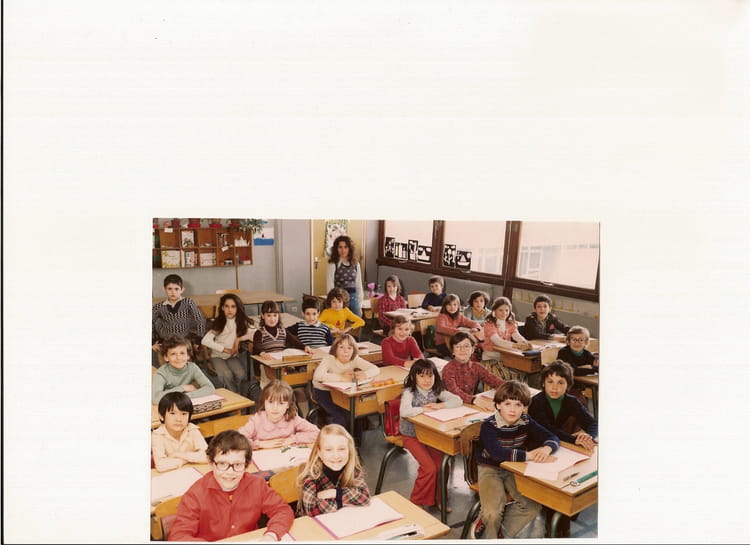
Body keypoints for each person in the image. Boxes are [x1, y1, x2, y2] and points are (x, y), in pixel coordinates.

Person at [168, 430, 294, 542]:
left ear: (246, 465)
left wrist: (271, 535)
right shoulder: (195, 495)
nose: (230, 472)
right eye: (222, 464)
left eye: (237, 465)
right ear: (210, 463)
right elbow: (178, 536)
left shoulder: (257, 485)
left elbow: (282, 511)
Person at [477, 381, 559, 539]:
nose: (513, 410)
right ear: (498, 405)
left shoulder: (526, 420)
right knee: (492, 513)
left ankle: (501, 534)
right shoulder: (489, 425)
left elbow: (551, 436)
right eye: (507, 404)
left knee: (532, 506)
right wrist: (529, 456)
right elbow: (497, 453)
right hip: (490, 468)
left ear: (524, 407)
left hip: (515, 468)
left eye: (518, 404)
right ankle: (490, 533)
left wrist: (546, 448)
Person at [528, 360, 597, 537]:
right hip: (538, 448)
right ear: (543, 383)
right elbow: (548, 430)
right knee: (557, 488)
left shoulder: (570, 401)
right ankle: (554, 529)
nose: (555, 387)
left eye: (561, 382)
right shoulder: (537, 402)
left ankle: (562, 523)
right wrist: (576, 440)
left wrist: (588, 437)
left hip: (560, 446)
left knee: (573, 478)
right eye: (550, 382)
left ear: (568, 385)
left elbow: (593, 423)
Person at [399, 359, 462, 510]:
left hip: (430, 435)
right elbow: (404, 411)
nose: (427, 380)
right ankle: (417, 501)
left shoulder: (436, 390)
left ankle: (440, 498)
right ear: (414, 377)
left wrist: (440, 405)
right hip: (411, 435)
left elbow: (457, 400)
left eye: (430, 376)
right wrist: (423, 409)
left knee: (442, 465)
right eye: (422, 376)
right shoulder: (409, 392)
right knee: (429, 468)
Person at [295, 424, 371, 516]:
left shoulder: (351, 468)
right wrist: (344, 501)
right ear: (319, 452)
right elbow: (311, 509)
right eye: (329, 450)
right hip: (313, 523)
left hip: (342, 518)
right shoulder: (311, 473)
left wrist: (335, 493)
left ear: (349, 450)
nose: (336, 455)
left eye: (341, 449)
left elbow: (365, 497)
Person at [312, 334, 379, 429]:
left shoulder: (355, 359)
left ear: (354, 350)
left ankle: (355, 438)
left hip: (343, 392)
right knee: (340, 416)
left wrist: (365, 374)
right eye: (341, 347)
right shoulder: (329, 359)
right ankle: (338, 436)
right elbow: (317, 376)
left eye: (349, 348)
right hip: (324, 392)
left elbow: (375, 369)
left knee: (355, 412)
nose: (345, 351)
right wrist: (341, 378)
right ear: (335, 349)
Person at [238, 380, 320, 450]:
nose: (275, 408)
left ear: (288, 405)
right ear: (264, 402)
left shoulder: (292, 418)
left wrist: (293, 439)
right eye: (270, 402)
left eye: (281, 403)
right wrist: (259, 444)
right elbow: (238, 440)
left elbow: (316, 432)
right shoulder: (257, 420)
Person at [201, 293, 255, 395]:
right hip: (217, 356)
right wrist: (224, 349)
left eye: (233, 306)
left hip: (232, 356)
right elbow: (205, 341)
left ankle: (236, 394)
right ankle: (235, 396)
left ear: (238, 308)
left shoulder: (241, 322)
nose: (230, 310)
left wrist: (238, 339)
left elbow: (255, 333)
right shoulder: (219, 323)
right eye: (227, 306)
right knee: (226, 375)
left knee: (240, 374)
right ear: (222, 308)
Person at [151, 274, 207, 368]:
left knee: (185, 366)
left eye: (176, 289)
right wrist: (152, 342)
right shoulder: (159, 307)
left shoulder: (188, 302)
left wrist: (198, 339)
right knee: (166, 366)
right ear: (164, 289)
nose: (173, 292)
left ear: (182, 290)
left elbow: (200, 319)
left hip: (183, 340)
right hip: (166, 341)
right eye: (170, 289)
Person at [442, 332, 504, 412]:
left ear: (473, 349)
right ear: (452, 351)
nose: (462, 350)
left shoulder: (477, 367)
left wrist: (511, 387)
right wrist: (474, 400)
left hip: (470, 406)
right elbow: (453, 392)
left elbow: (494, 381)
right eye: (458, 346)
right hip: (451, 407)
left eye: (466, 346)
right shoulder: (448, 369)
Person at [151, 391, 208, 472]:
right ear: (161, 416)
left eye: (184, 414)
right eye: (172, 413)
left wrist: (179, 455)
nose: (178, 419)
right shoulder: (157, 435)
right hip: (170, 474)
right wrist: (188, 459)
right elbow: (161, 465)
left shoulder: (192, 430)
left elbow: (208, 456)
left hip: (192, 471)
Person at [152, 335, 216, 405]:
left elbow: (210, 388)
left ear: (188, 356)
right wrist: (182, 388)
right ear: (166, 357)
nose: (178, 358)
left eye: (182, 353)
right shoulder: (161, 373)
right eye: (173, 354)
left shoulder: (192, 367)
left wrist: (184, 396)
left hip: (184, 403)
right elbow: (155, 398)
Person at [326, 235, 365, 317]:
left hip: (353, 299)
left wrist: (360, 305)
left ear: (349, 248)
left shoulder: (355, 264)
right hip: (339, 300)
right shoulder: (333, 264)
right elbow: (330, 285)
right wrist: (332, 303)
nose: (343, 250)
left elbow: (358, 284)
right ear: (336, 249)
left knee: (357, 322)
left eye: (345, 247)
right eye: (340, 247)